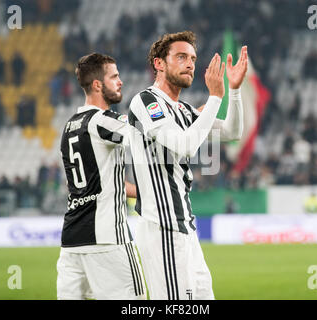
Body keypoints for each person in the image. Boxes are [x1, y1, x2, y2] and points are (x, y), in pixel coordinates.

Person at [128, 31, 248, 300]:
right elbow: (184, 146)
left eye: (193, 58)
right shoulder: (146, 101)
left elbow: (232, 132)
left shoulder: (183, 110)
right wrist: (214, 99)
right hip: (162, 227)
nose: (190, 63)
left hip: (186, 227)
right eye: (181, 57)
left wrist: (235, 90)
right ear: (159, 63)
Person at [57, 53, 145, 300]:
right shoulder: (102, 121)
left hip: (72, 242)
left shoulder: (70, 126)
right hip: (106, 239)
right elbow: (146, 135)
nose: (121, 82)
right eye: (114, 76)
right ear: (97, 84)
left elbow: (99, 182)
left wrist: (141, 191)